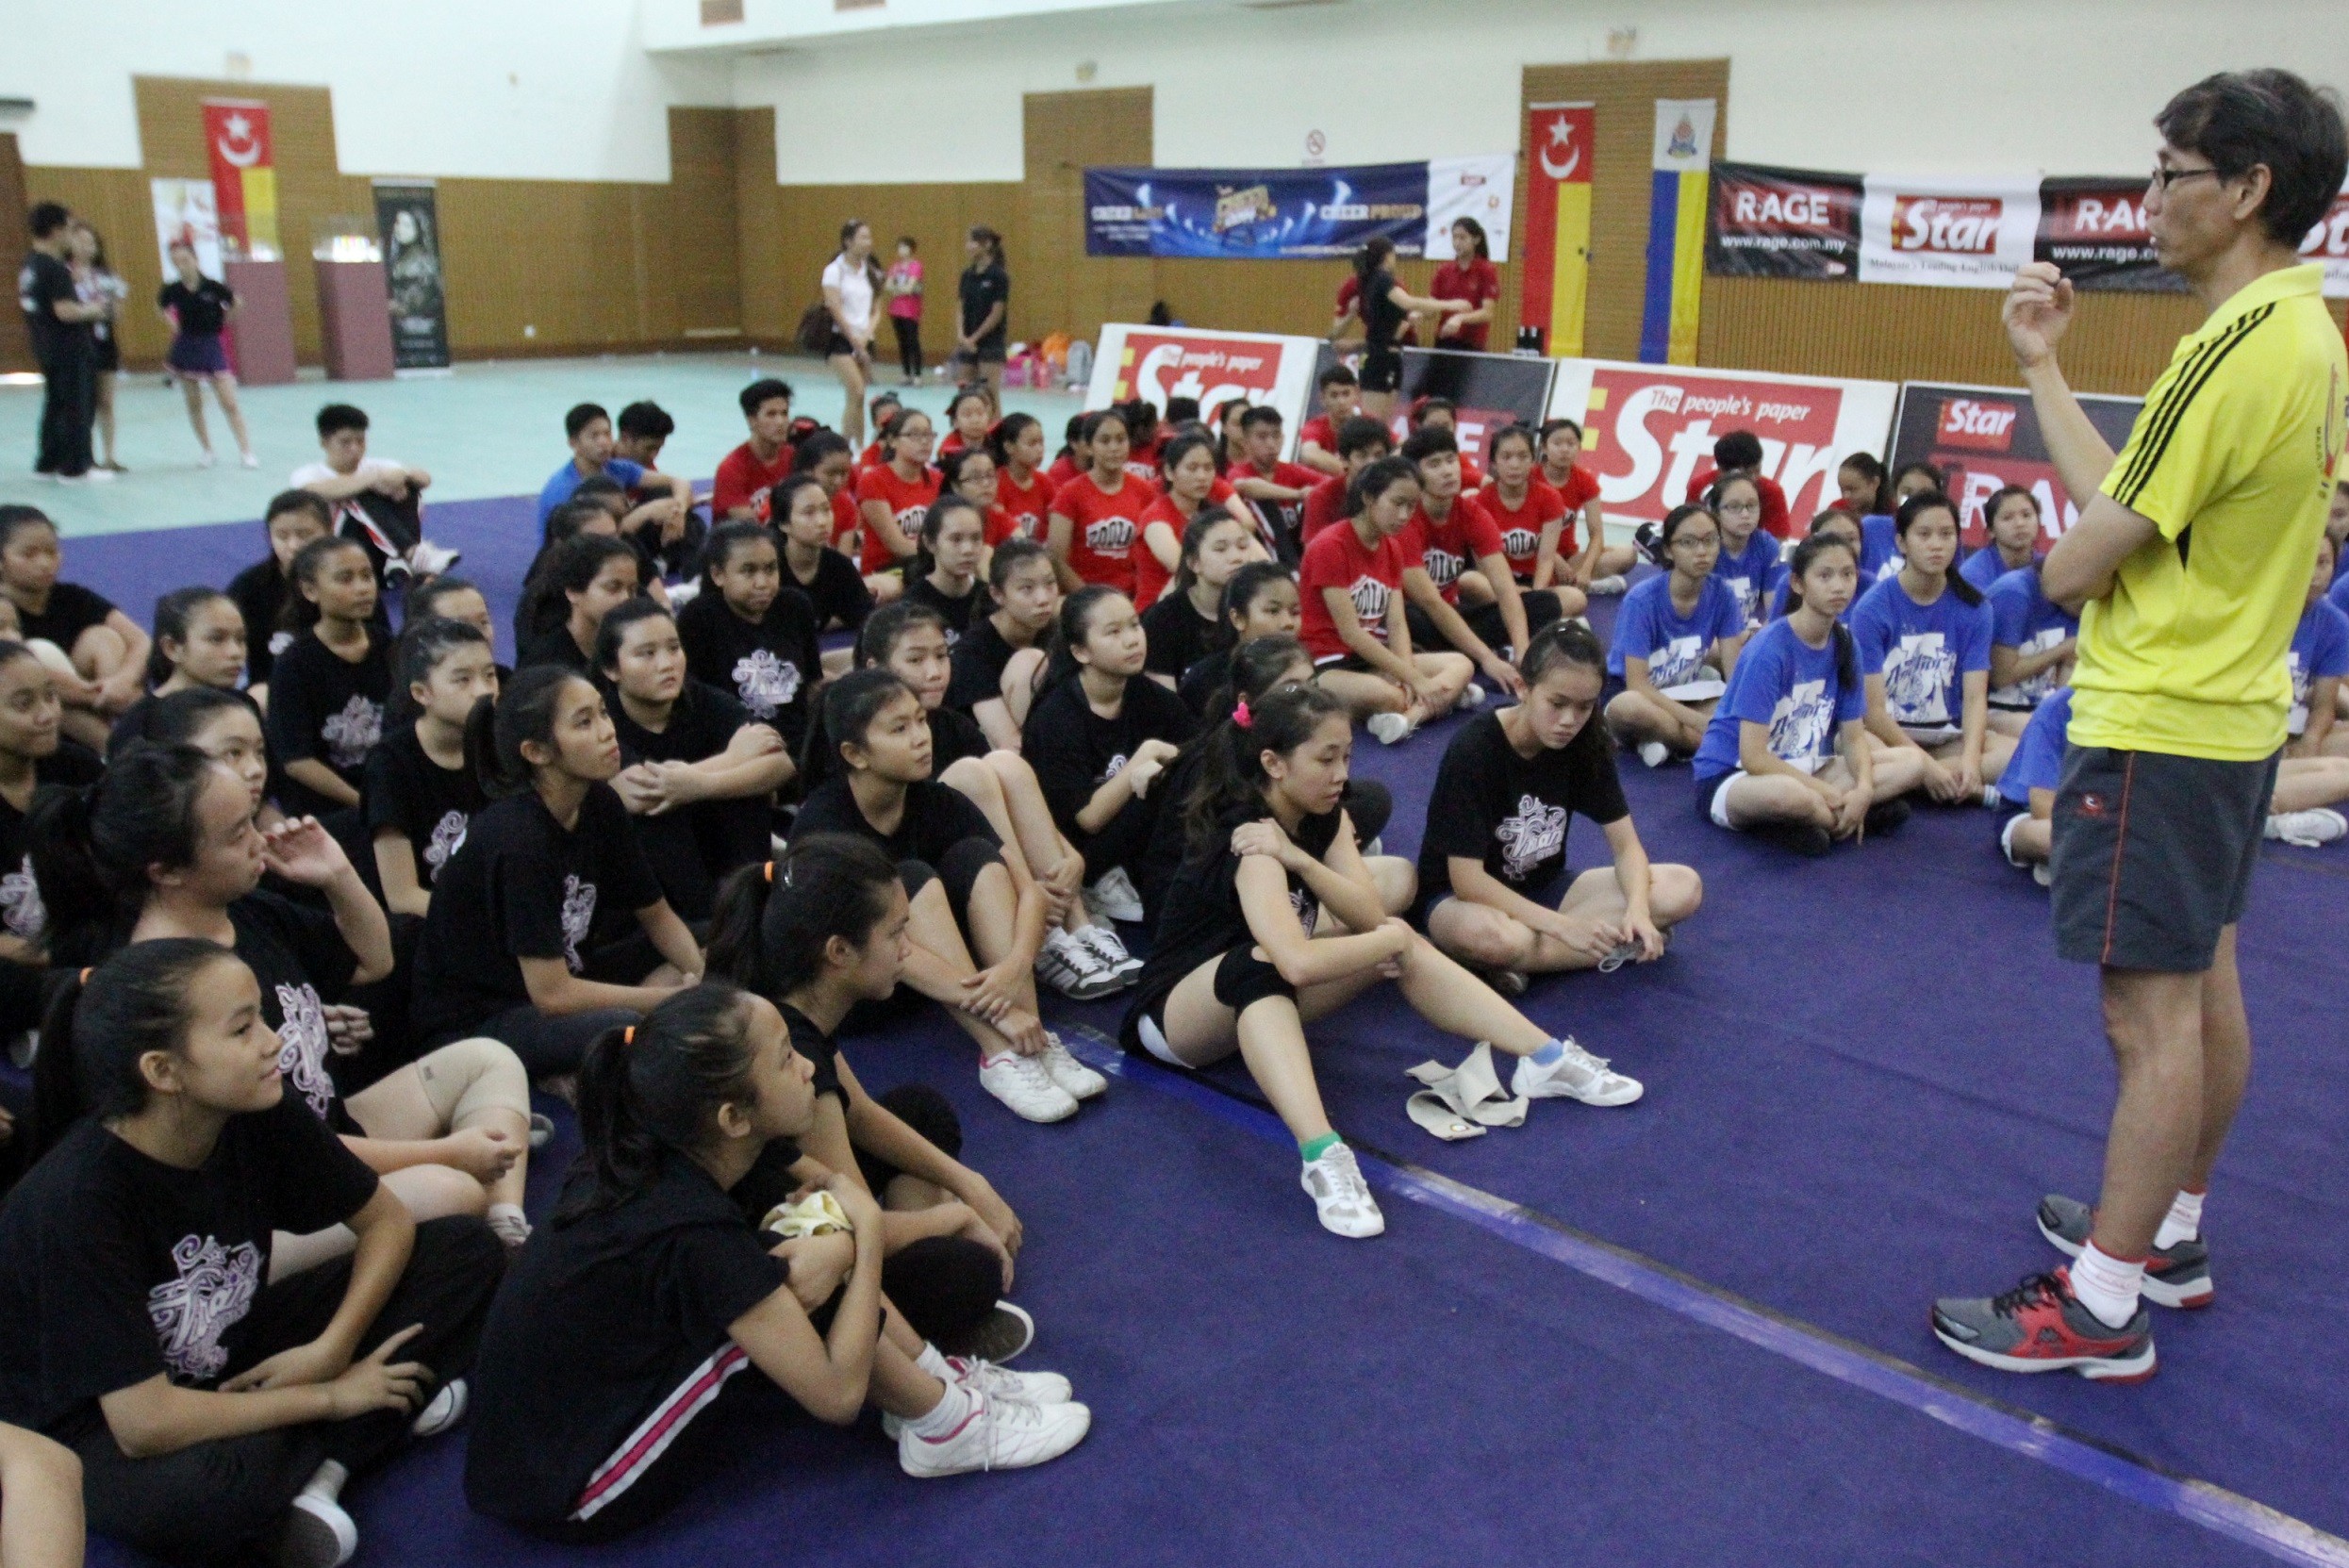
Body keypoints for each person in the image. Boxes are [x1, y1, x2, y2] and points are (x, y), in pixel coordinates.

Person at [1935, 76, 2349, 1380]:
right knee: (2203, 987)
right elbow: (2128, 502)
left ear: (2246, 190)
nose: (2148, 197)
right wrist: (2040, 366)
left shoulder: (2229, 349)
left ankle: (2102, 1302)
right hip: (2228, 713)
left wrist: (2079, 562)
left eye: (2170, 172)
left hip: (2161, 720)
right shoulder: (2307, 336)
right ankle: (2165, 1234)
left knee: (2147, 1017)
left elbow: (2070, 567)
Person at [463, 983, 1086, 1541]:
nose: (808, 1066)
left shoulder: (689, 1143)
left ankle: (933, 1386)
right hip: (574, 1483)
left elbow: (825, 1192)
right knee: (794, 1280)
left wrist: (841, 1238)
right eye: (787, 1058)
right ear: (732, 1117)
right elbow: (837, 1395)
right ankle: (944, 1427)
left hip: (550, 1428)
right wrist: (864, 1234)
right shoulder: (687, 1227)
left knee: (801, 1246)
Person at [0, 941, 504, 1567]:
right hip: (97, 1422)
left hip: (227, 1352)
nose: (273, 1041)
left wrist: (332, 1349)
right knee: (207, 1494)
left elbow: (385, 1221)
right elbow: (144, 1424)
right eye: (243, 1029)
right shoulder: (75, 1203)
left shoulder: (254, 1106)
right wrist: (330, 1395)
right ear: (162, 1071)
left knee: (466, 1250)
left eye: (262, 1017)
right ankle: (355, 1435)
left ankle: (321, 1470)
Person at [1122, 681, 1641, 1238]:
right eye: (1326, 759)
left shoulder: (1319, 814)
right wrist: (1385, 939)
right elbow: (1296, 964)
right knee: (1268, 963)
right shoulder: (1249, 840)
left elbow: (1369, 912)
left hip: (1258, 994)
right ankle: (1323, 1155)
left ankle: (1545, 1059)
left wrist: (1306, 862)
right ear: (1273, 763)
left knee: (1389, 938)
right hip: (1178, 1019)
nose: (1341, 773)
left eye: (1347, 756)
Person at [408, 667, 703, 1079]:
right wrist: (671, 1001)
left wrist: (702, 982)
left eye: (603, 712)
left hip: (564, 976)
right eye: (584, 722)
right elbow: (552, 995)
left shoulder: (599, 802)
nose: (608, 731)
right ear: (536, 752)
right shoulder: (517, 839)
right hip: (477, 1023)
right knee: (624, 1028)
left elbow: (656, 914)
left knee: (713, 938)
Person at [858, 602, 1133, 999]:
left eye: (941, 656)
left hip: (991, 864)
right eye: (916, 660)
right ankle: (1043, 934)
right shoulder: (858, 735)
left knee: (1007, 764)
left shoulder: (954, 725)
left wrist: (1069, 855)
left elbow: (1009, 804)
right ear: (875, 667)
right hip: (934, 878)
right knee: (972, 774)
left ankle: (1078, 928)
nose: (935, 672)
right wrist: (1029, 891)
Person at [1421, 620, 1702, 987]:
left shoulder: (1586, 742)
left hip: (1546, 887)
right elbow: (1467, 881)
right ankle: (1600, 948)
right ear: (1522, 687)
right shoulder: (1474, 750)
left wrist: (1638, 910)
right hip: (1465, 902)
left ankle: (1525, 961)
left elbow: (1626, 847)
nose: (1569, 721)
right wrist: (1562, 927)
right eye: (1557, 704)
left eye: (1585, 707)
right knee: (1494, 938)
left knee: (1683, 886)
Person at [1134, 634, 1396, 924]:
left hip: (1280, 874)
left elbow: (1372, 917)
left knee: (1400, 875)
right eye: (1291, 688)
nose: (1305, 698)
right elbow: (1291, 952)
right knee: (1389, 929)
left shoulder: (1303, 771)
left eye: (1312, 684)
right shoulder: (1232, 790)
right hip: (1219, 911)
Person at [1690, 532, 1925, 854]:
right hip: (1735, 774)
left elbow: (1853, 739)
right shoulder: (1768, 650)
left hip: (1805, 764)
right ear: (1798, 584)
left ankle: (1815, 820)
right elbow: (1754, 757)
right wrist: (1827, 792)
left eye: (1847, 574)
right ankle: (1833, 818)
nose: (1839, 586)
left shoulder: (1847, 644)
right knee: (1790, 795)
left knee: (1912, 762)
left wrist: (1864, 790)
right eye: (1825, 576)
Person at [598, 599, 792, 921]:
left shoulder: (702, 700)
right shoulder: (604, 718)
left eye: (674, 648)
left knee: (743, 793)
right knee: (659, 814)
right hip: (652, 879)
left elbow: (781, 763)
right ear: (611, 669)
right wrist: (733, 758)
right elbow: (638, 793)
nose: (666, 664)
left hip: (716, 842)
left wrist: (698, 784)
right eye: (647, 654)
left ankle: (750, 907)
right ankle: (703, 925)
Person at [1020, 587, 1197, 924]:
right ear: (1080, 652)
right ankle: (1099, 888)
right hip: (1074, 852)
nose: (1132, 640)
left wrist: (1167, 761)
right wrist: (1144, 758)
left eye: (1134, 625)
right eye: (1114, 632)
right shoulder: (1056, 716)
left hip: (1140, 843)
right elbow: (1087, 818)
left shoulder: (1152, 698)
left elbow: (1199, 756)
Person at [1850, 490, 2013, 805]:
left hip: (1944, 735)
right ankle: (1939, 783)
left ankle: (1915, 786)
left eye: (1946, 534)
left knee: (2011, 753)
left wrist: (1970, 760)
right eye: (1924, 535)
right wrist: (1923, 765)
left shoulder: (1976, 608)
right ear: (1902, 543)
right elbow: (1873, 712)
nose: (1937, 545)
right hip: (1888, 738)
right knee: (1859, 746)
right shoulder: (1871, 609)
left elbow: (1975, 698)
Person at [1299, 456, 1475, 744]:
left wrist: (1407, 674)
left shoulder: (1392, 548)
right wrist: (1414, 680)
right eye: (1397, 503)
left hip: (1369, 659)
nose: (1405, 515)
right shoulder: (1330, 546)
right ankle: (1440, 702)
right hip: (1327, 663)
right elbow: (1351, 633)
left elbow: (1396, 623)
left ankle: (1406, 719)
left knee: (1461, 663)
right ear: (1368, 498)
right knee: (1389, 696)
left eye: (1412, 506)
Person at [1397, 427, 1553, 697]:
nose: (1448, 471)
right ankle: (1475, 653)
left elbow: (1505, 588)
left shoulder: (1472, 513)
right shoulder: (1404, 519)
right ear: (1414, 475)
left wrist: (1522, 651)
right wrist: (1487, 658)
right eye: (1434, 465)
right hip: (1418, 619)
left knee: (1545, 603)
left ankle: (1469, 652)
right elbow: (1430, 602)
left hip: (1455, 614)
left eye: (1451, 460)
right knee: (1412, 617)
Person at [0, 640, 99, 1055]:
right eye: (24, 704)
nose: (48, 715)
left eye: (51, 696)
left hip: (83, 947)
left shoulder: (78, 769)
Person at [368, 618, 495, 918]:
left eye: (490, 675)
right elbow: (402, 896)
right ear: (422, 692)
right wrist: (485, 921)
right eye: (462, 680)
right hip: (432, 922)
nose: (483, 690)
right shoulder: (390, 764)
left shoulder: (503, 743)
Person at [1602, 503, 1747, 766]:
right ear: (1669, 550)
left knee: (1739, 707)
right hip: (1635, 694)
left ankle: (1661, 740)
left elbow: (1736, 677)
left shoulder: (1723, 595)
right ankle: (1711, 746)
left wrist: (1734, 714)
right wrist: (1698, 722)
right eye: (1688, 543)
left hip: (1685, 691)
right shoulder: (1641, 600)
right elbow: (1638, 685)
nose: (1701, 551)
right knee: (1628, 707)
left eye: (1710, 540)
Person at [0, 508, 149, 751]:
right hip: (40, 710)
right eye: (29, 554)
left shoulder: (71, 597)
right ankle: (116, 749)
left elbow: (140, 639)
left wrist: (123, 681)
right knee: (38, 655)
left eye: (52, 552)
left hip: (103, 701)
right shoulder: (3, 611)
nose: (45, 563)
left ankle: (131, 731)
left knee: (103, 638)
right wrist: (92, 694)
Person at [264, 537, 389, 817]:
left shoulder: (389, 648)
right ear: (310, 590)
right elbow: (297, 761)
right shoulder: (293, 665)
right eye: (345, 579)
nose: (362, 588)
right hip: (328, 810)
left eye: (367, 576)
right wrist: (364, 803)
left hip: (387, 792)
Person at [676, 520, 821, 754]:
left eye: (771, 569)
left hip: (797, 744)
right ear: (718, 574)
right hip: (734, 748)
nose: (762, 583)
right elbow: (693, 701)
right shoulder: (699, 618)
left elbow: (813, 684)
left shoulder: (796, 606)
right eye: (748, 571)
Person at [291, 404, 451, 590]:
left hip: (373, 549)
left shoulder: (377, 465)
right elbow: (314, 491)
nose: (355, 449)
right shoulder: (307, 474)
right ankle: (408, 553)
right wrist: (373, 480)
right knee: (357, 494)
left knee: (408, 485)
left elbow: (425, 479)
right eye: (345, 443)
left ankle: (400, 556)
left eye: (360, 441)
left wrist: (403, 475)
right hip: (339, 546)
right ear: (324, 443)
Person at [19, 204, 106, 484]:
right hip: (69, 349)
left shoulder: (31, 264)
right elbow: (65, 311)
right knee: (77, 407)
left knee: (55, 405)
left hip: (46, 346)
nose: (71, 235)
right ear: (56, 231)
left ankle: (48, 462)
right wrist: (94, 309)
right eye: (68, 229)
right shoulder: (54, 268)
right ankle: (75, 468)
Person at [948, 538, 1057, 751]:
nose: (1043, 599)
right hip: (986, 756)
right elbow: (1007, 742)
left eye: (1050, 583)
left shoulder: (1058, 633)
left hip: (1050, 745)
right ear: (997, 594)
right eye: (1027, 588)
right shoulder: (972, 652)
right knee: (1030, 662)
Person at [156, 240, 255, 470]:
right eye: (176, 262)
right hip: (186, 346)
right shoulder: (173, 290)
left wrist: (223, 321)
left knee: (229, 402)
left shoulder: (213, 286)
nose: (182, 265)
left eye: (185, 260)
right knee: (194, 403)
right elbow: (160, 307)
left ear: (195, 259)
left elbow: (237, 303)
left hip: (211, 345)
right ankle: (207, 450)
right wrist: (173, 325)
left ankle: (246, 452)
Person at [1348, 238, 1467, 420]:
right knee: (1372, 421)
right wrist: (1451, 305)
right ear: (1387, 256)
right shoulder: (1381, 278)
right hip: (1378, 356)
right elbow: (1408, 302)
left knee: (1384, 422)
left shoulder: (1376, 281)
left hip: (1392, 355)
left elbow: (1400, 314)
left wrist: (1416, 316)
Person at [229, 492, 333, 702]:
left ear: (329, 532)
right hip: (271, 689)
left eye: (304, 534)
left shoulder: (349, 581)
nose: (293, 545)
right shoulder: (249, 588)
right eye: (282, 536)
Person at [1143, 508, 1257, 689]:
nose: (1237, 558)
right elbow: (1163, 698)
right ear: (1193, 562)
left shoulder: (1257, 609)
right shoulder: (1163, 619)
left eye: (1242, 547)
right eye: (1220, 549)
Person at [537, 403, 691, 534]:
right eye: (594, 436)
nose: (604, 442)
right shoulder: (562, 489)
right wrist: (645, 512)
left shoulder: (619, 468)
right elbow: (590, 540)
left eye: (607, 434)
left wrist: (678, 511)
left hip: (610, 542)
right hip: (577, 552)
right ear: (573, 443)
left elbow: (678, 482)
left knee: (667, 497)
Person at [1476, 425, 1580, 612]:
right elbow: (1483, 565)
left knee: (1576, 598)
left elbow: (1546, 559)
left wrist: (1535, 596)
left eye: (1523, 456)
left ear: (1533, 460)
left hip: (1534, 584)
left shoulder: (1550, 498)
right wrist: (1512, 591)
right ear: (1493, 462)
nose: (1514, 465)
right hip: (1497, 585)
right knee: (1471, 582)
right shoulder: (1480, 502)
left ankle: (1523, 615)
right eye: (1506, 457)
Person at [1176, 561, 1301, 713]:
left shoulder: (1303, 669)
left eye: (1295, 612)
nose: (1288, 623)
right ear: (1238, 618)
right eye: (1273, 611)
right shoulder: (1203, 681)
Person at [516, 534, 643, 675]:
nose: (626, 599)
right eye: (613, 587)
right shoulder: (546, 665)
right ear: (573, 592)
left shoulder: (636, 646)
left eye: (632, 590)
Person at [68, 222, 125, 475]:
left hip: (105, 342)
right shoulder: (65, 275)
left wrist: (105, 308)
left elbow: (116, 312)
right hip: (79, 343)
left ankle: (110, 456)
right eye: (81, 241)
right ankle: (85, 456)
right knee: (84, 403)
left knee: (106, 401)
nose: (86, 246)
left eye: (91, 242)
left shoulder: (107, 276)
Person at [856, 407, 940, 578]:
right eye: (914, 435)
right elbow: (897, 544)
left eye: (929, 435)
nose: (925, 441)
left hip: (928, 565)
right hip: (884, 572)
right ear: (893, 441)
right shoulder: (873, 480)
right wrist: (946, 555)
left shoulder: (938, 479)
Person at [1226, 408, 1317, 560]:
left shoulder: (1293, 470)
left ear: (1283, 438)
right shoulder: (1237, 472)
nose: (1271, 444)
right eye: (1262, 437)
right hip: (1254, 553)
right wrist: (1298, 494)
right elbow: (1247, 486)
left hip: (1294, 548)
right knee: (1261, 502)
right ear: (1245, 443)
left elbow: (1331, 485)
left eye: (1276, 436)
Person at [823, 221, 883, 448]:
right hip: (841, 339)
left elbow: (876, 310)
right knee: (856, 390)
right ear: (848, 241)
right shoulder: (833, 271)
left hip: (865, 340)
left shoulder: (872, 271)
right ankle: (843, 447)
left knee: (858, 398)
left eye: (869, 237)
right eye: (863, 237)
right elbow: (834, 308)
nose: (868, 242)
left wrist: (866, 336)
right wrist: (854, 340)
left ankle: (860, 448)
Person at [140, 587, 247, 706]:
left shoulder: (245, 705)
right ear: (172, 648)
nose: (235, 652)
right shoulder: (145, 716)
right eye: (216, 639)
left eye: (240, 639)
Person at [711, 379, 796, 522]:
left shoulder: (795, 457)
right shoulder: (731, 469)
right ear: (751, 421)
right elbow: (749, 525)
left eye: (784, 413)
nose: (781, 422)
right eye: (771, 414)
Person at [903, 496, 990, 637]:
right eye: (956, 539)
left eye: (976, 538)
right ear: (930, 543)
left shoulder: (990, 598)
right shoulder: (914, 605)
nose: (968, 549)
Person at [1706, 470, 1780, 627]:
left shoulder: (1767, 546)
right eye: (1734, 507)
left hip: (1750, 634)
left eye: (1751, 506)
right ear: (1716, 512)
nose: (1745, 514)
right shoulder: (1705, 548)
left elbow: (1775, 614)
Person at [1682, 431, 1789, 540]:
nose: (1753, 479)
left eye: (1757, 471)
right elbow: (1688, 530)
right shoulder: (1699, 487)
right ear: (1721, 470)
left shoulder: (1771, 492)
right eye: (1747, 474)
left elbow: (1778, 539)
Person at [952, 225, 1011, 394]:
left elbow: (996, 313)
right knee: (964, 394)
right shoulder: (967, 275)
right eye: (968, 242)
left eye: (973, 242)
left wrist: (975, 338)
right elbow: (960, 307)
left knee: (989, 394)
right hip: (967, 342)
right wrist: (962, 335)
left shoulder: (999, 276)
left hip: (991, 344)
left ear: (987, 245)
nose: (968, 246)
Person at [1431, 219, 1500, 351]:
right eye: (1454, 237)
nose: (1457, 243)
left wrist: (1460, 318)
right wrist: (1419, 312)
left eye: (1462, 238)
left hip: (1472, 345)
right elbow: (1432, 305)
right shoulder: (1443, 270)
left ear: (1476, 240)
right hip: (1444, 342)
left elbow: (1487, 313)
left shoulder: (1487, 270)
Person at [1961, 484, 2046, 592]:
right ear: (1991, 530)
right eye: (2007, 518)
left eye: (2026, 515)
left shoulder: (2048, 568)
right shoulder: (1972, 573)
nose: (2019, 524)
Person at [986, 413, 1053, 539]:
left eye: (1041, 443)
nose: (1040, 450)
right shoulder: (995, 483)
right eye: (1032, 444)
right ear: (1009, 447)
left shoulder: (1045, 482)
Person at [1296, 365, 1361, 476]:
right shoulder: (1314, 426)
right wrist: (1356, 474)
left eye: (1346, 394)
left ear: (1356, 394)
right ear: (1322, 399)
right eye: (1334, 396)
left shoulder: (1370, 423)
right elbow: (1309, 454)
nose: (1341, 402)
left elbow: (1394, 450)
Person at [883, 239, 924, 386]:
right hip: (896, 309)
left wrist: (898, 289)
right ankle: (906, 373)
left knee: (913, 341)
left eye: (904, 247)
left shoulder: (916, 266)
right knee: (902, 342)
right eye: (899, 247)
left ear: (911, 249)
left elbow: (910, 288)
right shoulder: (895, 267)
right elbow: (887, 286)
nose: (901, 250)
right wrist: (901, 289)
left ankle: (917, 374)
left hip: (911, 309)